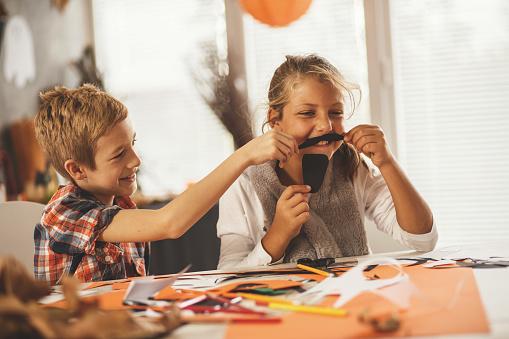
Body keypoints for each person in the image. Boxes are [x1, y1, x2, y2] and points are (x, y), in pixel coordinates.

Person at [34, 84, 298, 285]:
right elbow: (169, 224)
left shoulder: (124, 205)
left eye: (132, 145)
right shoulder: (64, 212)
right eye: (119, 154)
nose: (136, 160)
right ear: (77, 170)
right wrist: (244, 155)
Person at [217, 55, 437, 269]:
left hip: (351, 299)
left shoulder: (353, 169)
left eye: (335, 112)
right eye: (307, 113)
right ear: (275, 120)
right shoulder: (242, 183)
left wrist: (388, 163)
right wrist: (277, 236)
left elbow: (423, 240)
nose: (326, 126)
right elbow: (226, 275)